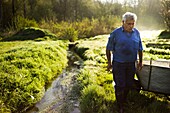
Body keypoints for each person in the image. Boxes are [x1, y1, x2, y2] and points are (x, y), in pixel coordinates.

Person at [106, 12, 143, 113]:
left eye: (133, 23)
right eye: (128, 24)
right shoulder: (115, 33)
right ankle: (120, 105)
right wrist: (109, 62)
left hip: (131, 63)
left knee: (129, 84)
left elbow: (140, 48)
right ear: (123, 22)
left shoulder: (137, 33)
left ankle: (124, 100)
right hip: (119, 63)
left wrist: (140, 61)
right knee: (120, 85)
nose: (131, 26)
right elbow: (108, 48)